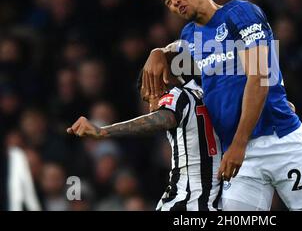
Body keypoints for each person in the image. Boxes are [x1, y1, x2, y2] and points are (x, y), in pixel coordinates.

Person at [142, 0, 302, 211]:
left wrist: (239, 144)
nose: (174, 2)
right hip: (239, 157)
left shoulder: (241, 13)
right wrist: (158, 52)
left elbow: (261, 76)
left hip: (280, 141)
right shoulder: (189, 35)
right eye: (167, 0)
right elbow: (180, 50)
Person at [67, 73, 222, 211]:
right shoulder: (206, 93)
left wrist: (103, 131)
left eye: (148, 98)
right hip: (214, 197)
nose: (150, 107)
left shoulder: (175, 96)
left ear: (159, 85)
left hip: (188, 199)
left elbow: (161, 119)